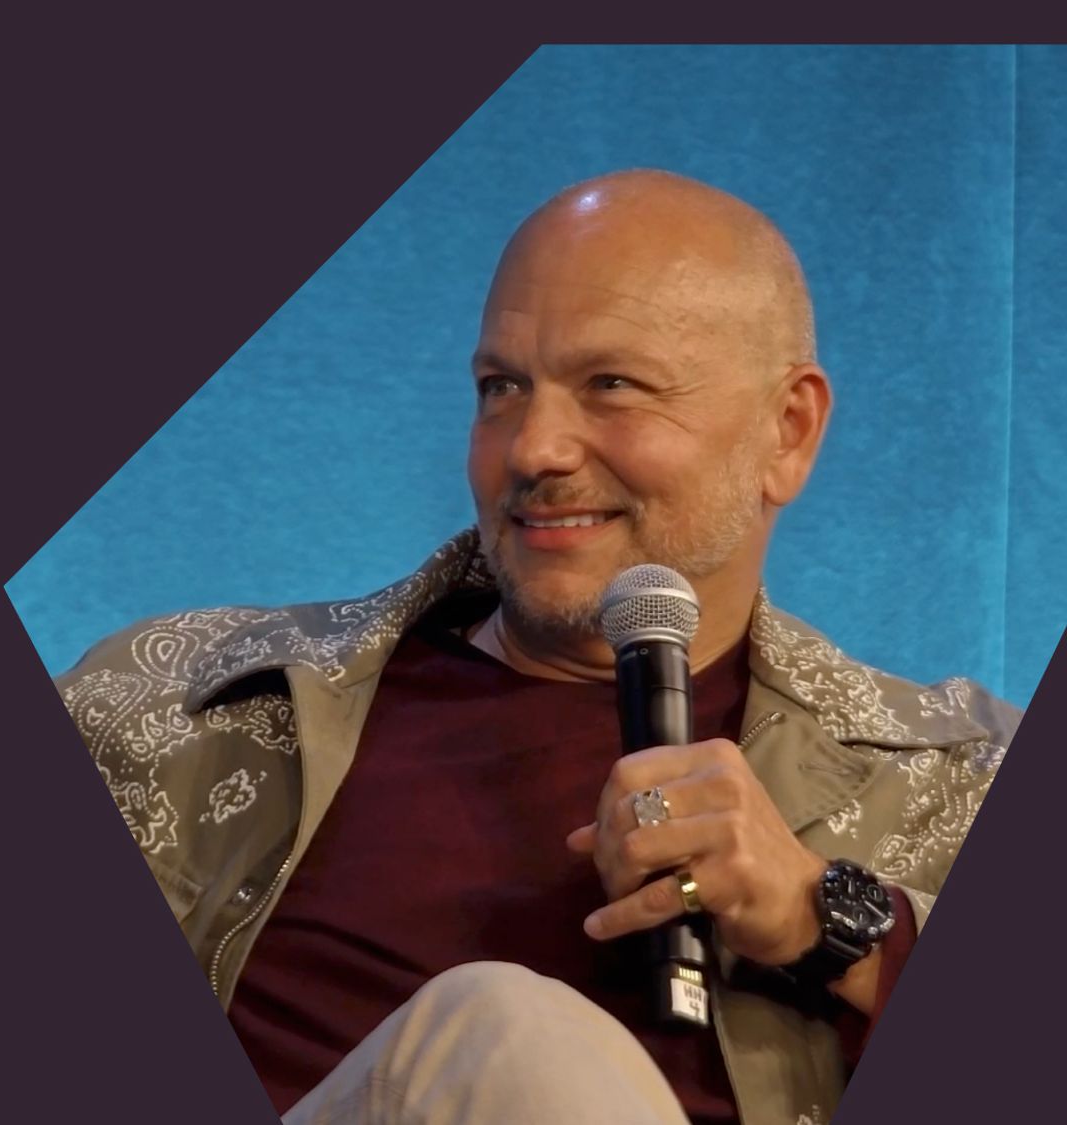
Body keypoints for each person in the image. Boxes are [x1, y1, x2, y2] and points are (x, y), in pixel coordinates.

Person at [51, 170, 1020, 1125]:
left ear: (787, 430)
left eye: (611, 386)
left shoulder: (961, 776)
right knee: (503, 1031)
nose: (533, 449)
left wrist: (830, 922)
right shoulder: (169, 700)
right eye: (502, 388)